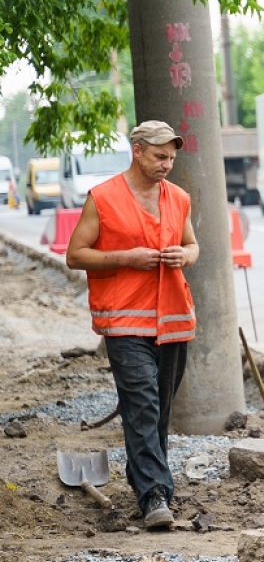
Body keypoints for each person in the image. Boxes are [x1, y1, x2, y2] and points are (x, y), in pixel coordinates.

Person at [64, 120, 199, 530]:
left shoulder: (178, 198)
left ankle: (147, 480)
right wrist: (127, 257)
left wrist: (185, 257)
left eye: (172, 157)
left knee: (158, 410)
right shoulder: (103, 198)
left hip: (173, 319)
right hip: (125, 321)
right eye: (160, 156)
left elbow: (193, 245)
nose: (167, 164)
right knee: (142, 407)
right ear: (137, 151)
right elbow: (75, 255)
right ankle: (154, 495)